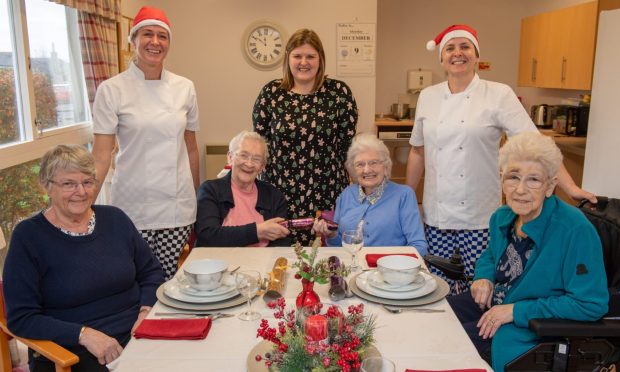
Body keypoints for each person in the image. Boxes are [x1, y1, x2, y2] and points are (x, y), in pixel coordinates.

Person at [405, 24, 596, 293]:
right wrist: (405, 198)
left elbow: (538, 145)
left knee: (482, 288)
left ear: (476, 55)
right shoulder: (428, 96)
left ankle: (478, 335)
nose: (457, 53)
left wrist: (571, 188)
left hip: (481, 215)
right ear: (442, 58)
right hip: (438, 214)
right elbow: (418, 150)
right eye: (450, 48)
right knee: (438, 289)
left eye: (465, 47)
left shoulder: (498, 94)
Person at [447, 132, 608, 370]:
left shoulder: (574, 230)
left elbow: (590, 304)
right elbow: (491, 255)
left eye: (534, 180)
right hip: (494, 301)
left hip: (526, 325)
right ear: (502, 180)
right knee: (434, 319)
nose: (520, 189)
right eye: (513, 177)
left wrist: (516, 311)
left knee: (446, 348)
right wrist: (483, 277)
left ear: (550, 186)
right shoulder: (502, 216)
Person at [2, 145, 164, 372]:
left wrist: (146, 312)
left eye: (88, 182)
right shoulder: (28, 237)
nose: (81, 191)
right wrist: (83, 335)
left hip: (138, 334)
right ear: (46, 186)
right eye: (69, 184)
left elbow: (151, 271)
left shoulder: (115, 218)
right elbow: (21, 318)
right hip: (72, 351)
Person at [92, 6, 199, 280]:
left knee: (165, 280)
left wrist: (198, 199)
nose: (155, 42)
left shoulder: (184, 87)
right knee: (131, 279)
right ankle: (135, 324)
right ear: (133, 40)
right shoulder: (111, 90)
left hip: (176, 206)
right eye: (147, 34)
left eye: (162, 36)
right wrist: (82, 205)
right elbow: (101, 156)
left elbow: (191, 148)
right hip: (132, 205)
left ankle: (161, 324)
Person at [252, 28, 358, 245]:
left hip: (327, 191)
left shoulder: (339, 94)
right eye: (297, 56)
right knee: (281, 257)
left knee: (325, 259)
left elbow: (348, 149)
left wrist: (358, 195)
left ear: (320, 59)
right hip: (279, 193)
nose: (304, 62)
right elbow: (260, 144)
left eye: (310, 56)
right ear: (287, 58)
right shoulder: (271, 94)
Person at [314, 133, 428, 255]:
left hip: (388, 270)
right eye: (360, 164)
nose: (367, 170)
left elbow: (419, 246)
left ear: (385, 167)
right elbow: (338, 247)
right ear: (353, 169)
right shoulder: (346, 195)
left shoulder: (404, 195)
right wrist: (331, 235)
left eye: (373, 163)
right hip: (351, 268)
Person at [195, 131, 291, 247]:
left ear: (262, 167)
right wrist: (257, 231)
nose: (249, 164)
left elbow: (282, 241)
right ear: (230, 158)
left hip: (261, 262)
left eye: (256, 159)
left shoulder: (273, 195)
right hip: (221, 262)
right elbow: (207, 235)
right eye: (243, 155)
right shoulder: (210, 190)